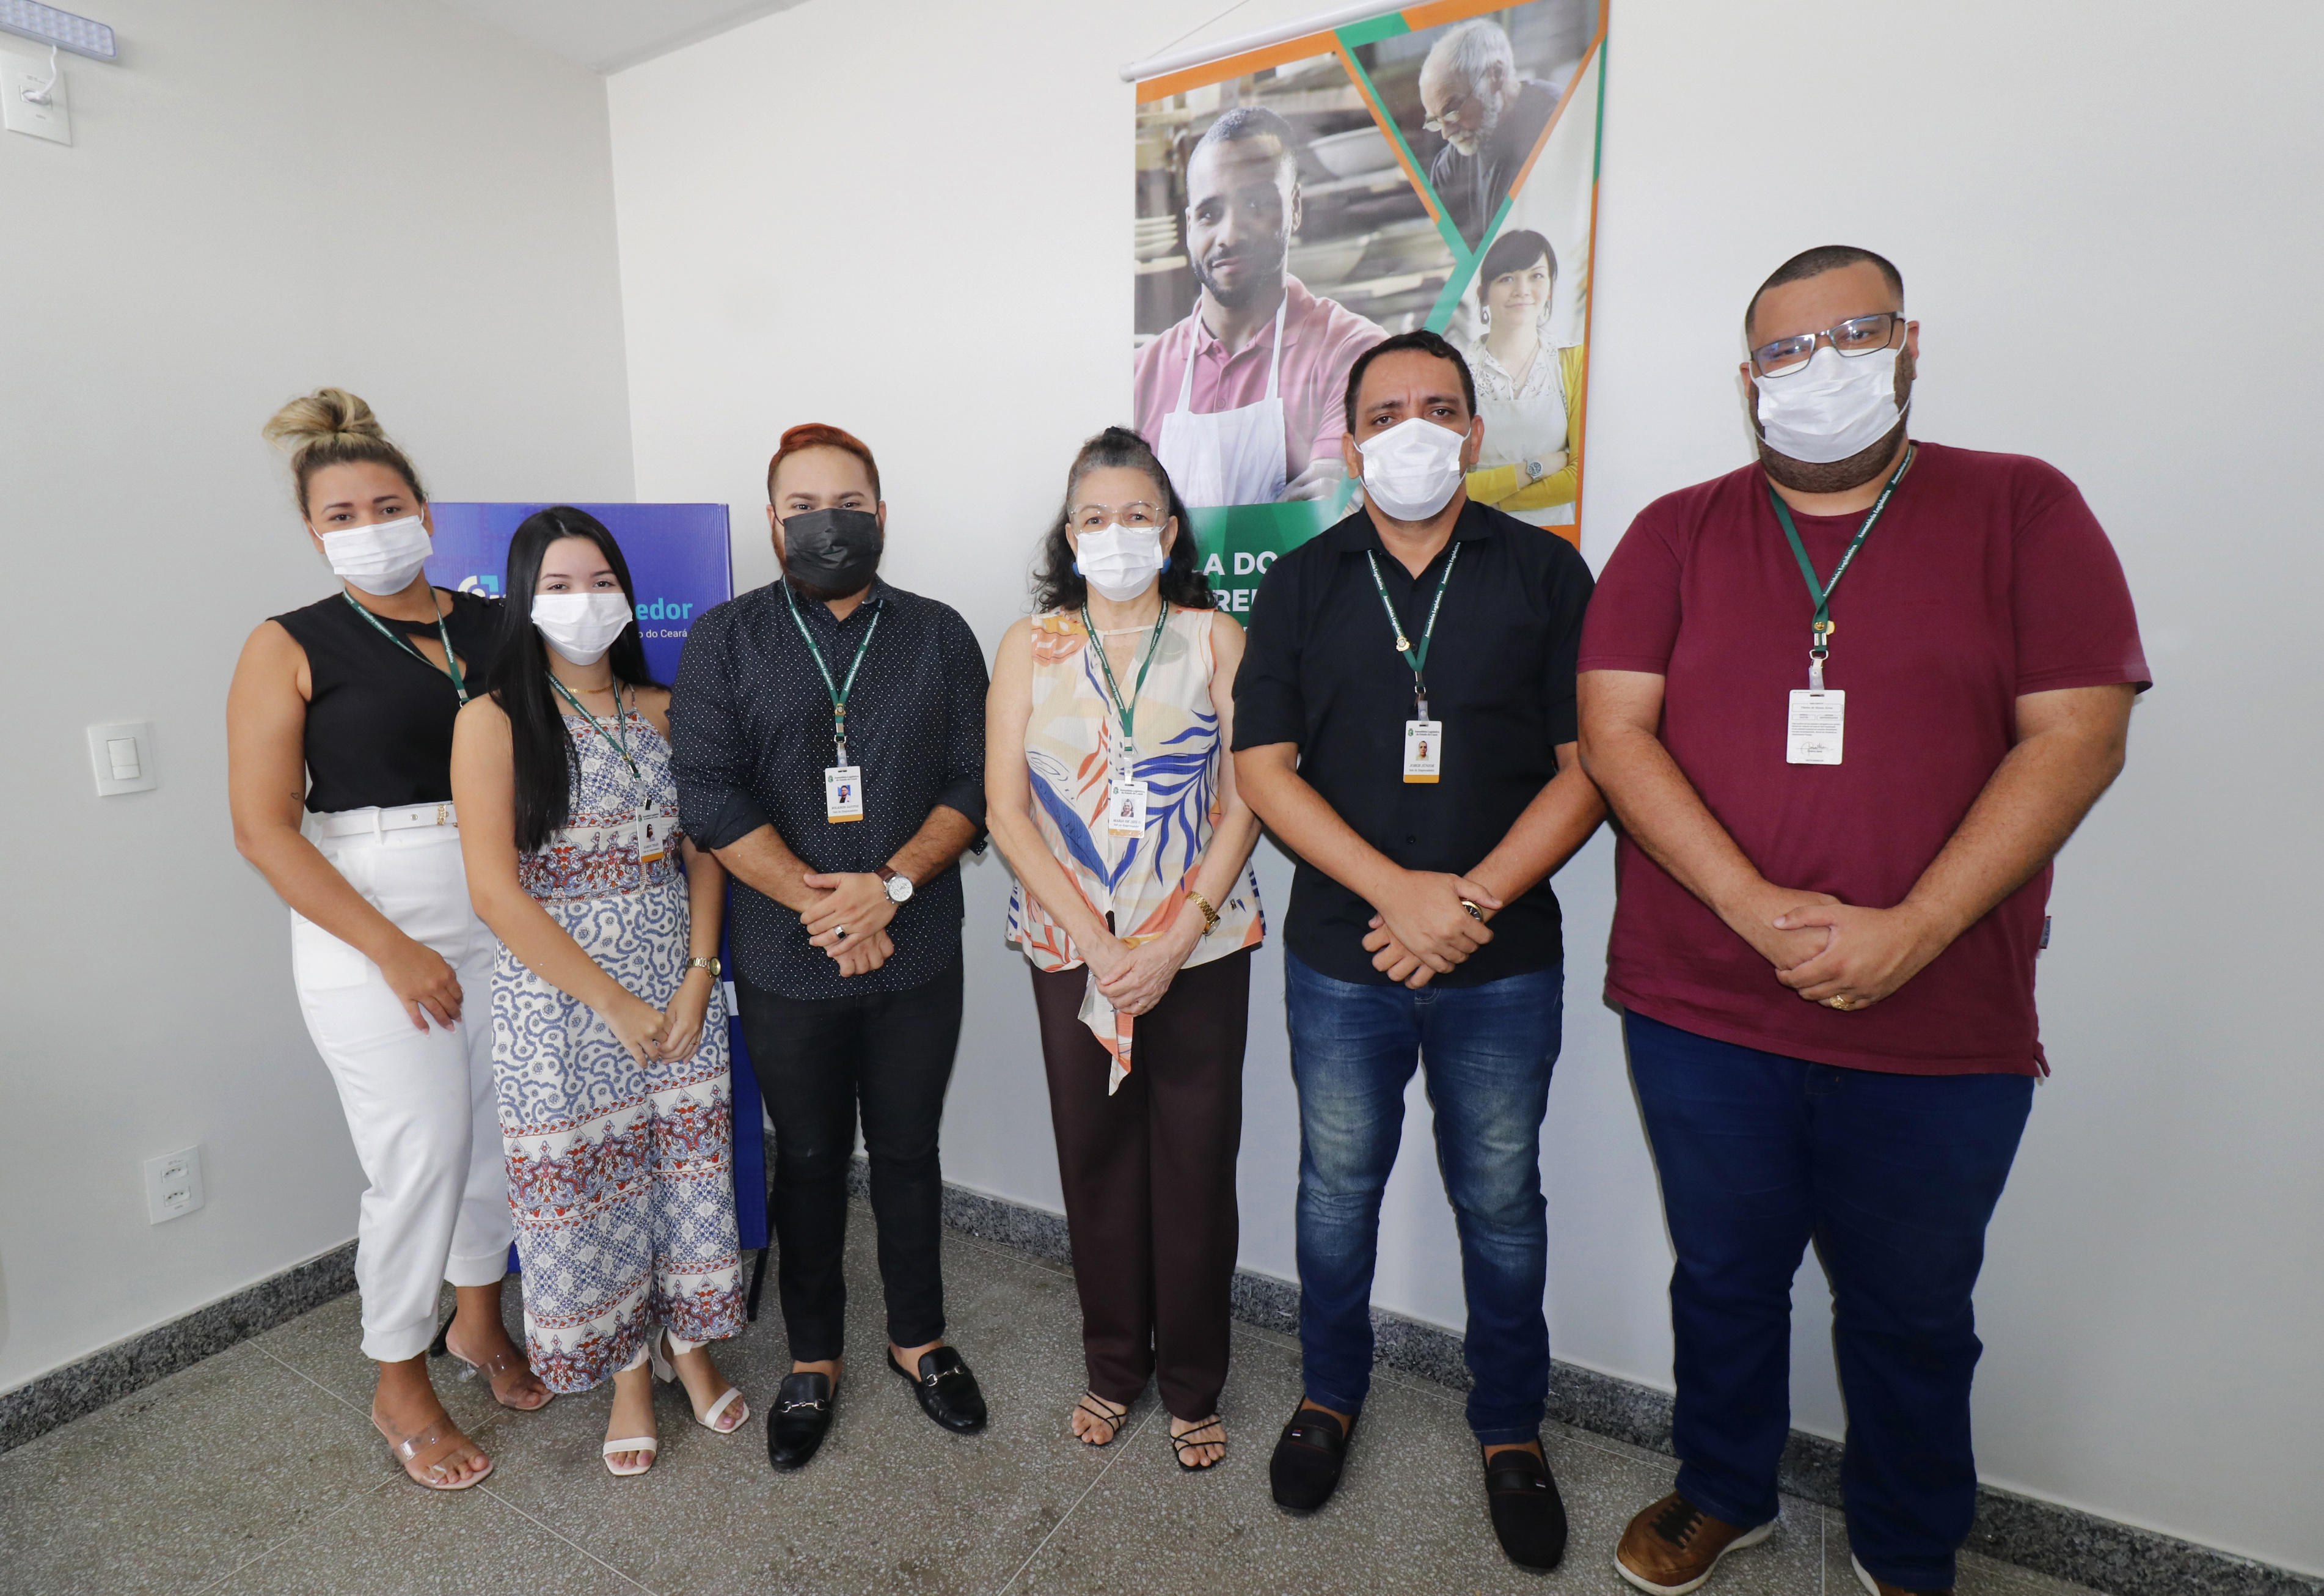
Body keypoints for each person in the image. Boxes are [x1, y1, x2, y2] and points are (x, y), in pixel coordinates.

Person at [1577, 247, 2147, 1596]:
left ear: (1907, 345)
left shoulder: (2019, 506)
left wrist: (1914, 926)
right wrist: (1748, 905)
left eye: (1853, 335)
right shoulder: (1676, 531)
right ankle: (1723, 1489)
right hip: (1702, 1002)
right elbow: (1614, 732)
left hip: (1938, 1009)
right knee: (1722, 1278)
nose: (1817, 368)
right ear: (1747, 379)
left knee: (1910, 1309)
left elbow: (2077, 733)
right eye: (1785, 350)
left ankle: (1903, 1545)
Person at [1232, 331, 1603, 1570]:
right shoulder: (1301, 582)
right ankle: (1328, 1394)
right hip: (1344, 954)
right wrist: (1399, 894)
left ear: (1474, 433)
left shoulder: (1546, 572)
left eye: (1438, 408)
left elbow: (1590, 765)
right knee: (1336, 1190)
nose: (1413, 431)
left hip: (1503, 956)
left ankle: (1509, 1426)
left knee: (1499, 1199)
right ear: (1349, 444)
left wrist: (1468, 901)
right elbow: (1262, 770)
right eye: (1385, 412)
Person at [227, 389, 547, 1492]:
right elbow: (264, 829)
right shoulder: (287, 644)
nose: (370, 526)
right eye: (342, 514)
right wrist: (393, 949)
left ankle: (479, 1321)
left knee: (497, 1136)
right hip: (371, 920)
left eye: (387, 505)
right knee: (419, 1150)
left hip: (502, 902)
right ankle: (398, 1375)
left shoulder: (497, 627)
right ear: (313, 532)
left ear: (425, 511)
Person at [669, 423, 992, 1472]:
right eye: (802, 508)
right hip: (783, 955)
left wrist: (885, 891)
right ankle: (813, 1356)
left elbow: (973, 783)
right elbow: (710, 795)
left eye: (846, 504)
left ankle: (918, 1338)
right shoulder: (724, 638)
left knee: (907, 1150)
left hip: (916, 944)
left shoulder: (940, 634)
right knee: (805, 1158)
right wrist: (827, 910)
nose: (826, 524)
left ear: (882, 515)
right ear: (772, 524)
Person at [984, 427, 1265, 1473]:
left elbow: (1247, 795)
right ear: (1069, 535)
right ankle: (1112, 1367)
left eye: (1135, 514)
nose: (1115, 534)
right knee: (1096, 1161)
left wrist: (1174, 935)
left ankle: (1192, 1382)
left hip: (1200, 945)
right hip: (1072, 950)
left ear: (1170, 530)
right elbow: (1005, 811)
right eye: (1094, 518)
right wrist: (1101, 947)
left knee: (1196, 1163)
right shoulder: (1030, 643)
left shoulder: (1214, 637)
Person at [450, 507, 748, 1477]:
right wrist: (614, 1005)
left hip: (678, 984)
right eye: (559, 586)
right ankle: (628, 1373)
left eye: (601, 582)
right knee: (592, 1193)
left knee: (686, 1176)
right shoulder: (494, 720)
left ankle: (688, 1347)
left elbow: (705, 851)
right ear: (524, 601)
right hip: (563, 1008)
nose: (585, 603)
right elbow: (495, 892)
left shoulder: (667, 709)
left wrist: (699, 975)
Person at [1133, 106, 1386, 507]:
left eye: (1256, 205)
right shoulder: (1140, 375)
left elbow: (1327, 502)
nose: (1230, 235)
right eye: (1210, 214)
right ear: (1189, 225)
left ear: (1295, 207)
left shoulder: (1354, 353)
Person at [1460, 228, 1585, 540]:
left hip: (1555, 543)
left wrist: (1494, 500)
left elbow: (1580, 478)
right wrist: (1536, 468)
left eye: (1536, 276)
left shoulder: (1573, 361)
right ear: (1483, 294)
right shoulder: (1456, 371)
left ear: (1551, 288)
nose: (1522, 290)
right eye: (1507, 279)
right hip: (1478, 541)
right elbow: (1450, 488)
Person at [1420, 19, 1561, 250]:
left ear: (1496, 74)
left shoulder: (1557, 124)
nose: (1446, 134)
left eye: (1453, 111)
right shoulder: (1450, 167)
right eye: (1435, 121)